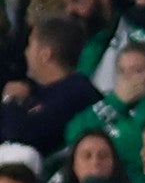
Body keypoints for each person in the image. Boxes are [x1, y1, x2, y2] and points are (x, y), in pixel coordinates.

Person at [64, 42, 145, 183]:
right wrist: (116, 101)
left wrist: (101, 144)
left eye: (138, 71)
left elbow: (132, 147)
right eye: (122, 71)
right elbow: (73, 133)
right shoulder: (115, 101)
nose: (128, 78)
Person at [1, 15, 100, 157]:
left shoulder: (75, 93)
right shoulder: (35, 91)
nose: (26, 52)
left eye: (30, 45)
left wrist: (10, 100)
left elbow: (18, 140)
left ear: (45, 54)